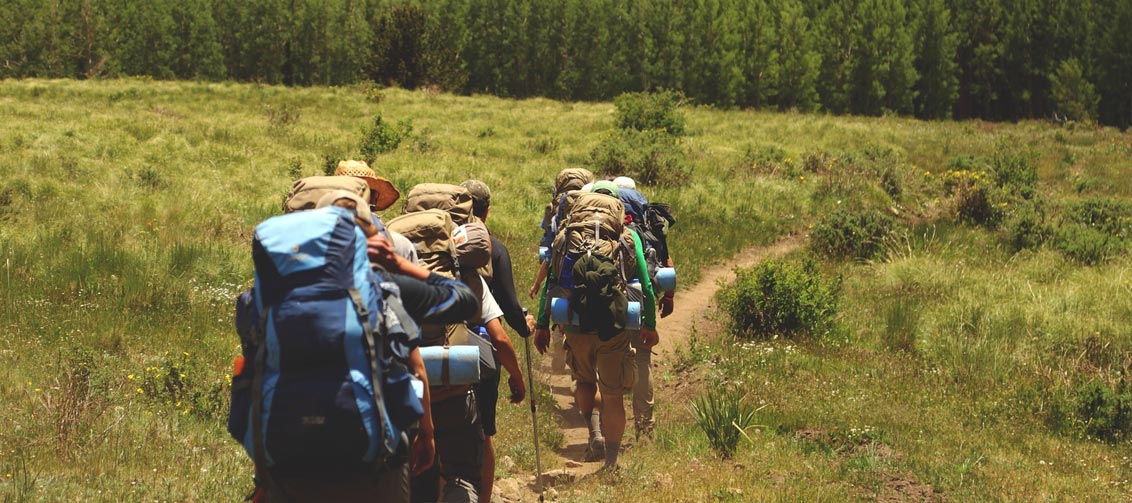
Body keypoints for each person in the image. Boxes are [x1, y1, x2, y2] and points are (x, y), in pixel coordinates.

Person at [237, 192, 481, 502]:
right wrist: (398, 265)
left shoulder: (268, 300)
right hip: (373, 466)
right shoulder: (384, 291)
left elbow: (256, 379)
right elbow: (463, 302)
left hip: (291, 464)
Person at [533, 181, 659, 470]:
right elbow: (647, 284)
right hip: (612, 325)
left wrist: (543, 323)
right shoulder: (628, 237)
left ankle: (594, 435)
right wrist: (649, 323)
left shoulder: (566, 235)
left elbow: (551, 282)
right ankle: (611, 464)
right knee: (613, 395)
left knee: (584, 382)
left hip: (575, 325)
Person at [461, 180, 536, 503]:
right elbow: (508, 306)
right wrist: (526, 326)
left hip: (430, 349)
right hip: (481, 353)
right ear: (487, 210)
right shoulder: (493, 248)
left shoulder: (439, 248)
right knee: (483, 433)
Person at [612, 176, 676, 438]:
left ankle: (607, 429)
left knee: (606, 363)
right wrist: (668, 297)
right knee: (641, 359)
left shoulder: (603, 225)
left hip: (609, 302)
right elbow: (666, 265)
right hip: (638, 299)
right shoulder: (648, 224)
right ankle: (644, 427)